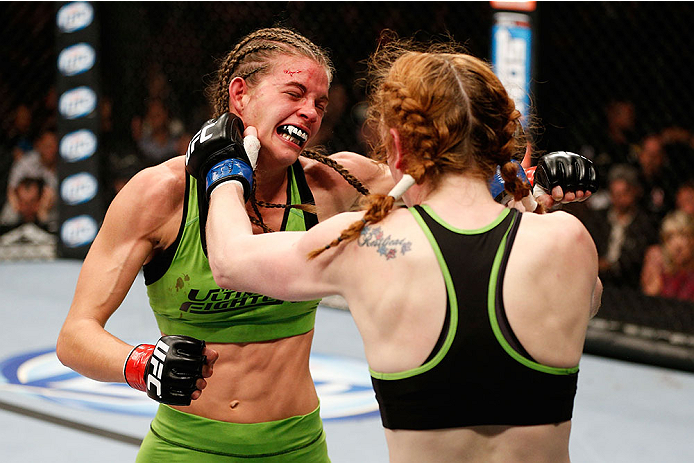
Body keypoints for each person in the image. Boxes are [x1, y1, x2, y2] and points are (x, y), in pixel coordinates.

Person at [56, 27, 596, 462]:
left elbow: (450, 182)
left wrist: (531, 180)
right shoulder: (161, 194)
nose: (311, 112)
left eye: (319, 101)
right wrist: (136, 363)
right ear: (240, 95)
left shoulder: (335, 182)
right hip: (184, 446)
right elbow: (75, 335)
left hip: (297, 446)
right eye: (294, 94)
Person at [641, 210, 694, 302]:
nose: (677, 245)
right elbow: (647, 303)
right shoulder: (657, 262)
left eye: (684, 236)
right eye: (670, 237)